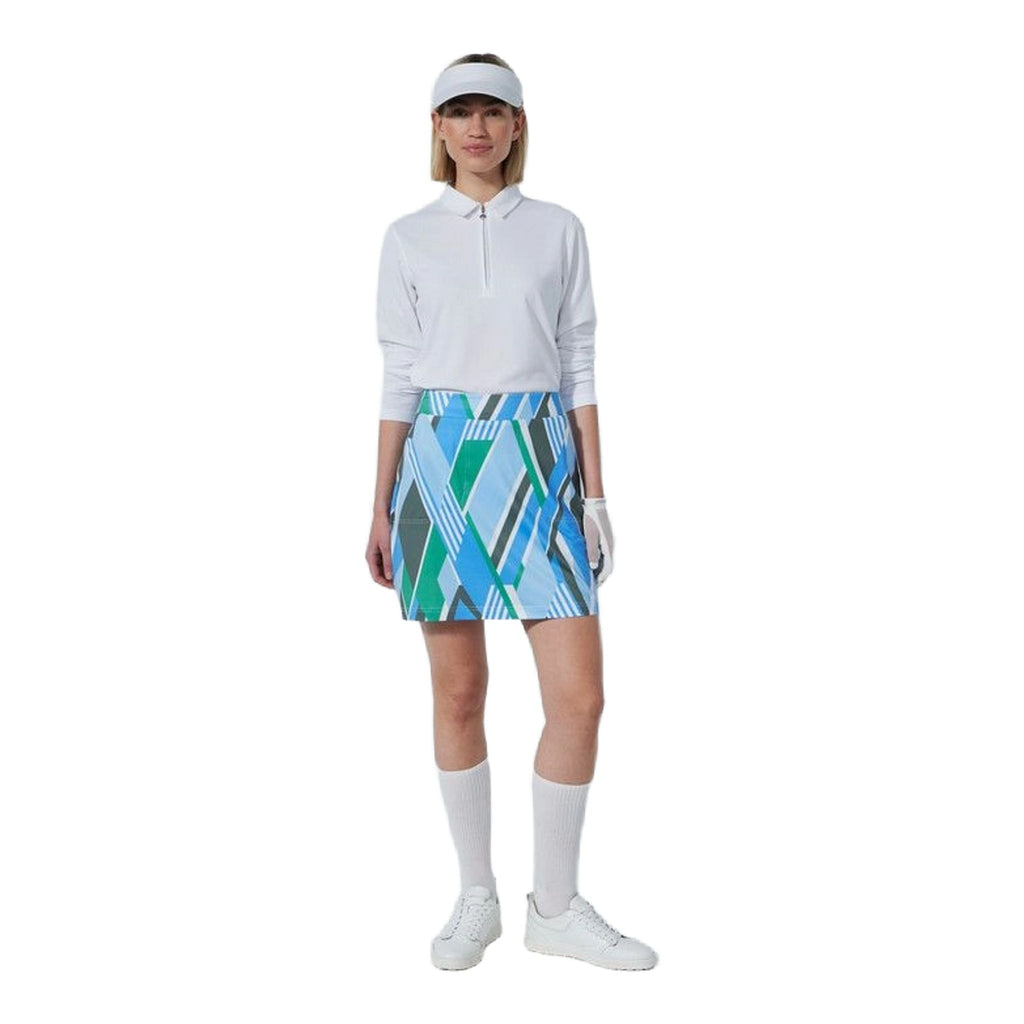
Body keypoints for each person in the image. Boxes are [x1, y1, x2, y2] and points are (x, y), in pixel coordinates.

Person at [365, 53, 658, 972]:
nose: (478, 128)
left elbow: (579, 362)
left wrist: (596, 494)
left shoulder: (559, 230)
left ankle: (556, 908)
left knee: (580, 699)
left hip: (539, 461)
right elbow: (399, 373)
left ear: (518, 124)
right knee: (458, 692)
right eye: (459, 112)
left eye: (493, 111)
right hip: (442, 464)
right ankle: (477, 897)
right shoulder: (408, 238)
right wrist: (380, 504)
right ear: (438, 128)